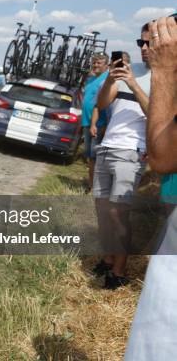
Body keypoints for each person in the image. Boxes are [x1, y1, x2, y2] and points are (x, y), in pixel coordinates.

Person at [124, 15, 177, 361]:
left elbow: (162, 155)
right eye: (143, 43)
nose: (149, 47)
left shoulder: (159, 75)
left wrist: (162, 73)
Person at [92, 24, 151, 290]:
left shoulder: (167, 77)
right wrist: (109, 79)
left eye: (149, 43)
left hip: (132, 151)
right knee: (102, 211)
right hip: (107, 147)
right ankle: (107, 258)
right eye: (141, 43)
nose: (145, 48)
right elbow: (103, 104)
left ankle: (119, 271)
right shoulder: (131, 70)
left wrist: (133, 85)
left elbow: (157, 115)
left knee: (118, 213)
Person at [81, 53, 109, 189]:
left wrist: (103, 125)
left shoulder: (107, 79)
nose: (96, 65)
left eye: (99, 63)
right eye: (94, 62)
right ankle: (91, 184)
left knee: (95, 158)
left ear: (106, 65)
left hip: (98, 125)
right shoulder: (91, 79)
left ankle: (95, 188)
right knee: (89, 157)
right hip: (87, 123)